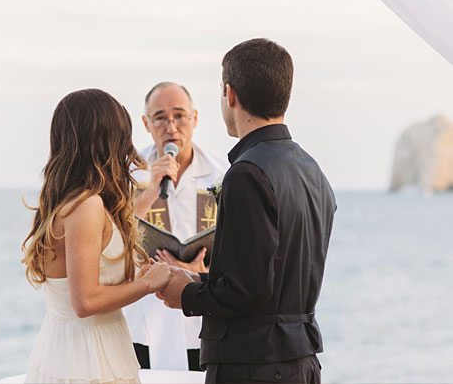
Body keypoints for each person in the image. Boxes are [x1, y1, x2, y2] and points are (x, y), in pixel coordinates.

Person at [157, 39, 337, 384]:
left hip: (253, 366)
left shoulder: (247, 173)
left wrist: (186, 295)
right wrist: (196, 278)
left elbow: (248, 291)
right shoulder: (312, 170)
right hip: (301, 360)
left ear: (231, 94)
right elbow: (272, 280)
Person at [21, 89, 173, 384]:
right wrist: (148, 283)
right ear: (107, 140)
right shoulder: (86, 207)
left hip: (72, 348)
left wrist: (153, 192)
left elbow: (111, 231)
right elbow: (86, 302)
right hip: (87, 358)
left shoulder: (73, 200)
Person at [124, 82, 228, 371]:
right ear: (146, 123)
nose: (171, 127)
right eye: (160, 117)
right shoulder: (128, 174)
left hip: (202, 316)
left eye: (179, 116)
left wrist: (202, 270)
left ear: (195, 118)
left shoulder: (224, 175)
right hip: (143, 316)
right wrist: (149, 192)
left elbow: (241, 245)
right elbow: (109, 236)